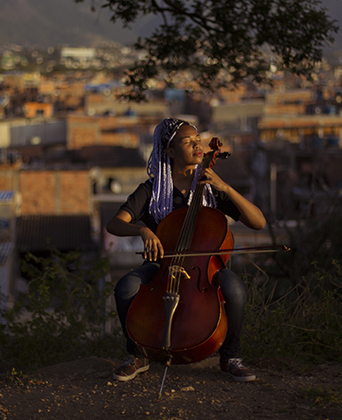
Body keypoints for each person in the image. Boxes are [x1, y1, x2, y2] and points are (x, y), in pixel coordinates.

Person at [106, 118, 267, 383]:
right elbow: (115, 224)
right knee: (126, 287)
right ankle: (137, 355)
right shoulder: (151, 191)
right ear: (169, 152)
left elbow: (258, 222)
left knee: (234, 287)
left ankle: (230, 357)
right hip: (162, 266)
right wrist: (143, 231)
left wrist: (225, 187)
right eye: (188, 141)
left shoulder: (211, 188)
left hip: (204, 269)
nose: (197, 144)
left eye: (198, 139)